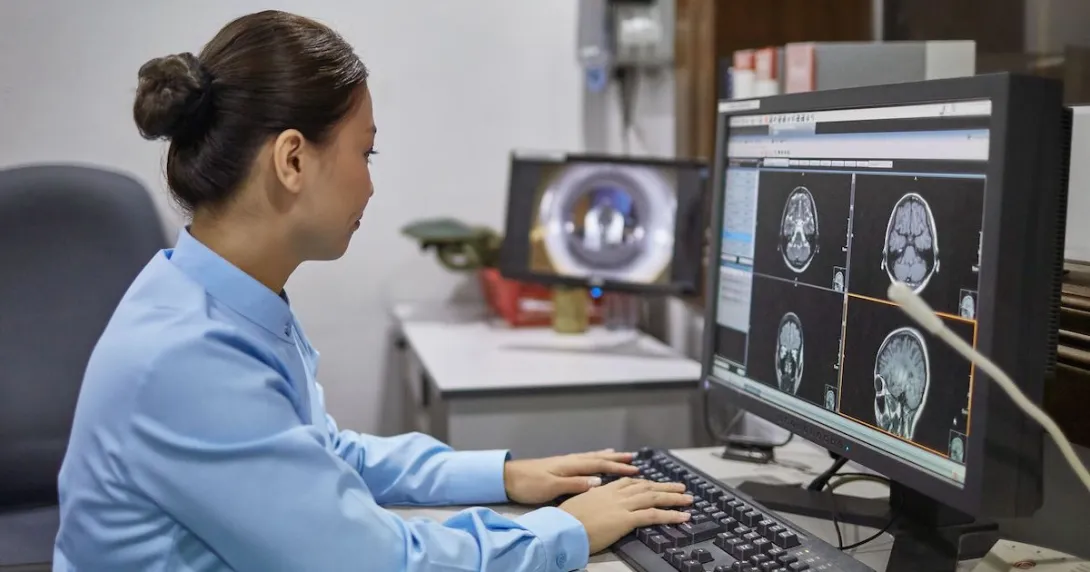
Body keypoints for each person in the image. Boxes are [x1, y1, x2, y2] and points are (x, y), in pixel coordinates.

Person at [52, 10, 693, 572]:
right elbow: (373, 561)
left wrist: (502, 475)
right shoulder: (190, 357)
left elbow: (323, 452)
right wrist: (567, 530)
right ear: (292, 160)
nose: (369, 186)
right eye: (367, 154)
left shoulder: (210, 297)